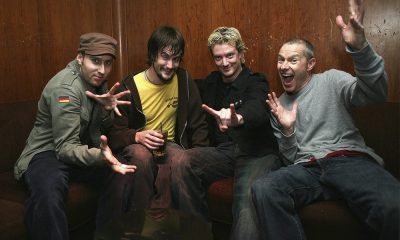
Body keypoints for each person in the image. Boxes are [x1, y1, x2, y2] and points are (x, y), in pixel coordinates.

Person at [251, 0, 400, 239]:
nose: (283, 66)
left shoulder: (332, 80)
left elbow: (376, 93)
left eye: (292, 60)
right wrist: (288, 130)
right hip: (308, 169)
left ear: (310, 64)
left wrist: (360, 48)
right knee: (264, 188)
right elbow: (291, 160)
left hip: (348, 160)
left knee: (393, 206)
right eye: (280, 59)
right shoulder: (278, 105)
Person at [14, 32, 136, 240]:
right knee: (49, 193)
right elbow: (64, 149)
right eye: (95, 61)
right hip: (46, 153)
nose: (102, 70)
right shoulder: (66, 89)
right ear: (80, 58)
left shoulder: (97, 82)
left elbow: (97, 129)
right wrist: (100, 156)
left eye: (107, 63)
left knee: (123, 172)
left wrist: (106, 110)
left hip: (76, 149)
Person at [175, 27, 281, 240]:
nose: (225, 63)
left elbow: (258, 108)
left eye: (230, 55)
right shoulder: (211, 82)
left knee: (246, 200)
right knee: (181, 161)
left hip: (257, 153)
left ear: (241, 54)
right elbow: (180, 83)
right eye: (218, 58)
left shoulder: (256, 81)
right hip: (224, 153)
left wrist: (237, 119)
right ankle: (198, 234)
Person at [105, 26, 208, 233]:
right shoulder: (130, 85)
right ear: (152, 55)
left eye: (176, 59)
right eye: (164, 57)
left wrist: (199, 157)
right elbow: (114, 134)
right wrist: (137, 135)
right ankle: (138, 228)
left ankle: (193, 231)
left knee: (181, 161)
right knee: (141, 156)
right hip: (138, 144)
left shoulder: (184, 81)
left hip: (170, 145)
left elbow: (198, 124)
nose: (170, 65)